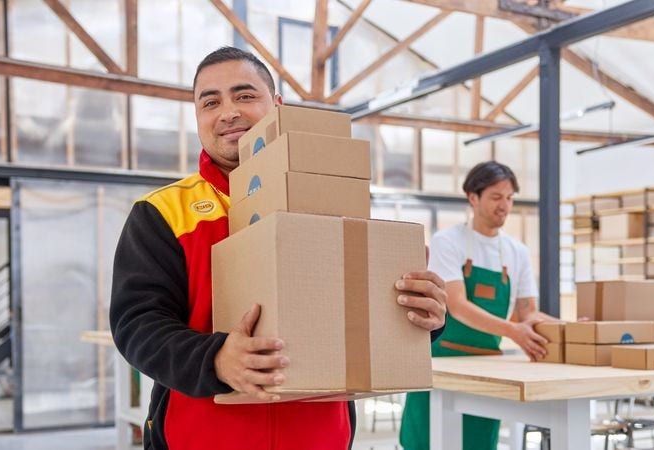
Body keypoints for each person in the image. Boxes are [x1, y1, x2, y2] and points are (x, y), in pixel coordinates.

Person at [109, 46, 447, 450]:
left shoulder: (336, 197)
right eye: (210, 102)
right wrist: (215, 359)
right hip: (200, 438)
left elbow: (358, 317)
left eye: (245, 95)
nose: (228, 111)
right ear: (198, 119)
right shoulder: (163, 213)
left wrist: (424, 315)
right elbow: (137, 326)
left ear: (278, 106)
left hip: (320, 437)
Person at [400, 160, 556, 450]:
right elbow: (457, 304)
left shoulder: (517, 252)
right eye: (496, 197)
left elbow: (527, 313)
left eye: (509, 198)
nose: (505, 206)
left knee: (478, 443)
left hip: (487, 366)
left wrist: (570, 328)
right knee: (427, 442)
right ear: (473, 197)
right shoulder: (448, 241)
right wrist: (513, 331)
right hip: (442, 363)